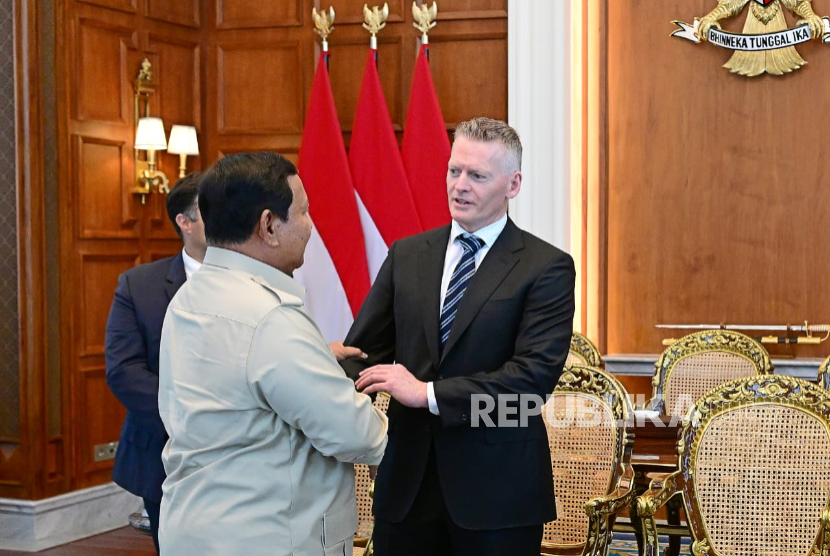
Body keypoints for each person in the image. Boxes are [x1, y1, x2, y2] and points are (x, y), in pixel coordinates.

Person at [342, 117, 576, 556]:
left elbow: (530, 385)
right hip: (406, 487)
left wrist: (428, 393)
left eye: (478, 175)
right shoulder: (407, 254)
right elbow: (364, 353)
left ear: (513, 184)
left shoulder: (546, 268)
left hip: (497, 492)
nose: (460, 186)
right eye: (454, 171)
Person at [157, 152, 388, 556]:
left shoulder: (188, 297)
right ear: (268, 225)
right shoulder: (271, 318)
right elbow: (355, 435)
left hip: (193, 529)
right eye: (303, 212)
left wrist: (314, 358)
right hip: (269, 538)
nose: (312, 227)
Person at [105, 172, 206, 554]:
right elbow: (124, 372)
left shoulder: (257, 281)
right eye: (214, 209)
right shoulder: (139, 285)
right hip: (165, 456)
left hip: (245, 458)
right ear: (185, 221)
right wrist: (195, 419)